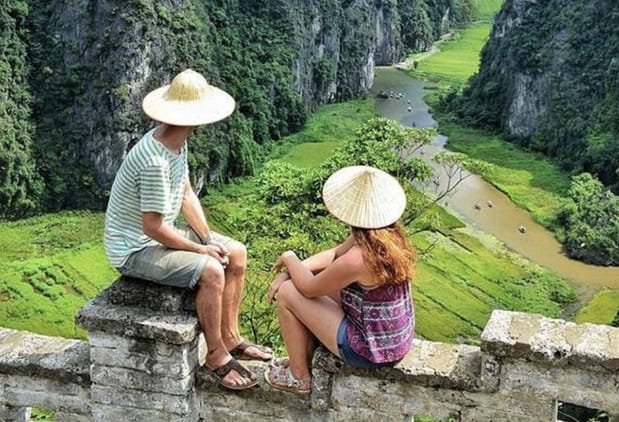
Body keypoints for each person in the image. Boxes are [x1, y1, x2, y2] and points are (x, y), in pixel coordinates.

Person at [103, 69, 272, 391]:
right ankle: (217, 356)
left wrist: (208, 239)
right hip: (134, 249)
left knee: (235, 252)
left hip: (160, 233)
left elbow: (185, 193)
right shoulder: (155, 161)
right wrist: (201, 251)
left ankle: (231, 336)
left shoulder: (175, 142)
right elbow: (151, 227)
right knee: (211, 271)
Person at [265, 165, 416, 394]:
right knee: (304, 280)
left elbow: (308, 288)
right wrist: (294, 270)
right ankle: (303, 358)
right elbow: (334, 255)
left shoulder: (360, 257)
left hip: (369, 350)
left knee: (288, 292)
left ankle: (299, 377)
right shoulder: (386, 237)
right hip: (392, 340)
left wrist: (289, 258)